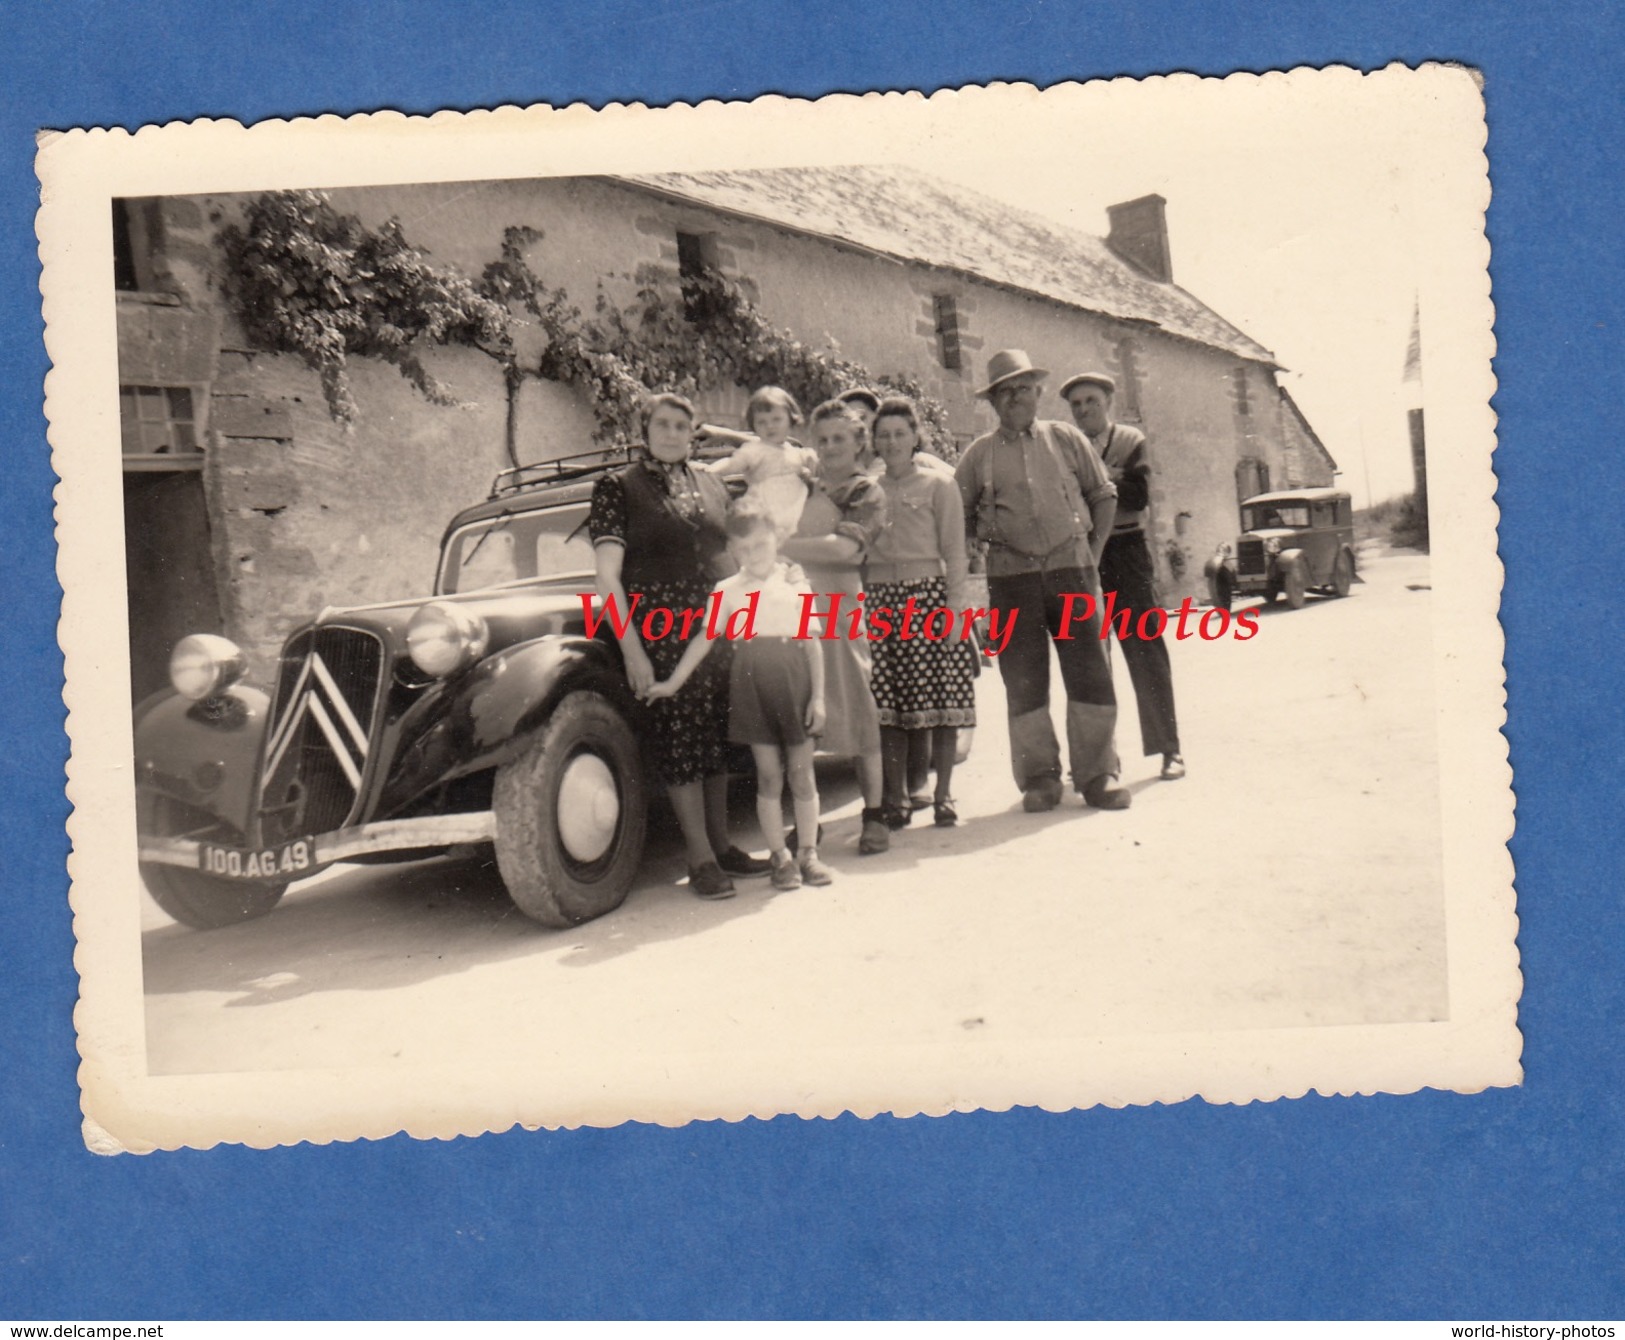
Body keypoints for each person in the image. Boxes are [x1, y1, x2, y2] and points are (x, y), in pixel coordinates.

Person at [587, 392, 771, 900]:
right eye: (662, 424)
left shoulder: (713, 484)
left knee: (716, 735)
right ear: (644, 429)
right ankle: (700, 857)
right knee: (681, 740)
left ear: (694, 432)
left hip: (719, 623)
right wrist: (632, 650)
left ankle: (722, 845)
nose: (672, 434)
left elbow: (739, 557)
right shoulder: (617, 488)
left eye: (681, 426)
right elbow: (607, 578)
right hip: (661, 630)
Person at [954, 350, 1130, 813]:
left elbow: (1103, 496)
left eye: (1023, 387)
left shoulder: (1067, 439)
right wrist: (978, 543)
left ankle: (1097, 773)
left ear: (1038, 392)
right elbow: (957, 516)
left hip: (1071, 570)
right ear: (993, 401)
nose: (1015, 397)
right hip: (1011, 578)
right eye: (1005, 391)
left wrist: (1092, 556)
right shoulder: (978, 455)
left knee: (1089, 672)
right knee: (1023, 680)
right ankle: (1040, 778)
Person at [646, 500, 834, 891]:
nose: (752, 556)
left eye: (760, 546)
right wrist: (673, 683)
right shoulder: (726, 590)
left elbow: (813, 645)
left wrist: (818, 698)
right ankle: (780, 856)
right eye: (742, 549)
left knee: (802, 774)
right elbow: (705, 639)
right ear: (732, 550)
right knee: (768, 776)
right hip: (752, 685)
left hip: (795, 682)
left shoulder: (796, 584)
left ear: (776, 539)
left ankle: (809, 854)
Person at [1060, 372, 1185, 780]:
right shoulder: (1064, 445)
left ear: (1108, 401)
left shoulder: (1131, 441)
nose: (1083, 410)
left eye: (1090, 401)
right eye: (1076, 405)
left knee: (1145, 651)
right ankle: (1101, 760)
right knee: (1090, 659)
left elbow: (1138, 496)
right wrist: (1108, 476)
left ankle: (1169, 749)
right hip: (1083, 555)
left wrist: (1096, 475)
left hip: (1127, 552)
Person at [780, 399, 892, 855]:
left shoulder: (867, 493)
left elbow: (846, 552)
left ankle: (875, 814)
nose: (829, 448)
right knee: (800, 714)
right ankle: (809, 821)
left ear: (859, 442)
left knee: (857, 708)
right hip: (794, 605)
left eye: (839, 439)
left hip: (841, 606)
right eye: (822, 439)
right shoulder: (800, 488)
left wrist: (782, 544)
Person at [866, 397, 978, 829]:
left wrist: (954, 609)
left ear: (915, 437)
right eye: (884, 435)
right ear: (874, 441)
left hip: (928, 597)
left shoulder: (938, 485)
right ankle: (895, 798)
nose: (892, 442)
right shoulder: (866, 489)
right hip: (879, 600)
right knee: (888, 704)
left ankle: (944, 794)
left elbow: (955, 550)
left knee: (941, 699)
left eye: (900, 433)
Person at [704, 385, 817, 539]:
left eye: (776, 419)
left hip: (795, 512)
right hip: (766, 510)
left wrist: (810, 461)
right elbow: (731, 464)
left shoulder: (794, 451)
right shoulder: (755, 450)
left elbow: (815, 468)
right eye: (761, 422)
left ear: (791, 420)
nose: (770, 426)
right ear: (754, 425)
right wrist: (709, 471)